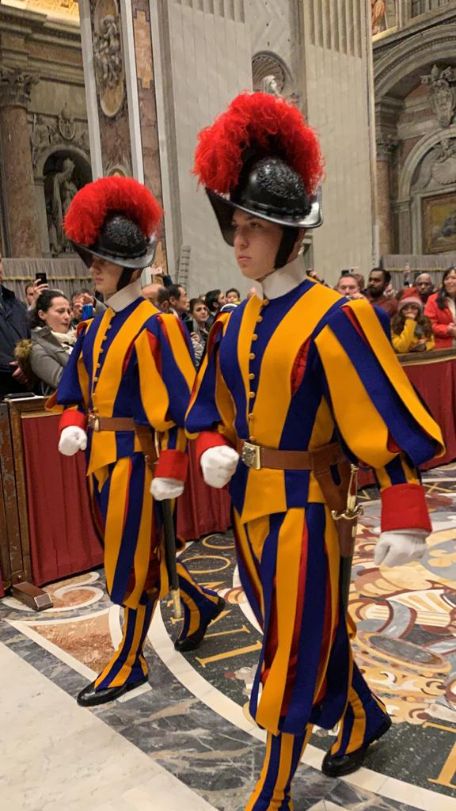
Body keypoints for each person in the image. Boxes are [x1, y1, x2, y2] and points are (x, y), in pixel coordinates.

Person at [186, 92, 443, 810]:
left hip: (310, 510)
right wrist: (211, 444)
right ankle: (362, 713)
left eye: (254, 228)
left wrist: (402, 502)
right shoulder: (231, 322)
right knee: (296, 627)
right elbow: (209, 407)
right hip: (250, 508)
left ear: (290, 235)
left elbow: (380, 409)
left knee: (289, 647)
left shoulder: (338, 315)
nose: (238, 241)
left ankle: (271, 786)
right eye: (235, 225)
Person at [52, 177, 224, 708]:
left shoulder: (159, 325)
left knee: (126, 559)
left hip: (140, 461)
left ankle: (131, 658)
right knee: (132, 550)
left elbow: (182, 402)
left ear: (130, 264)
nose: (93, 267)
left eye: (102, 259)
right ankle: (197, 602)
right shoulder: (93, 326)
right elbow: (74, 388)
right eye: (92, 257)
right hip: (101, 459)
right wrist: (73, 422)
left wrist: (173, 466)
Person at [29, 290, 76, 394]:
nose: (67, 317)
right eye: (60, 311)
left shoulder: (76, 337)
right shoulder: (37, 349)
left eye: (69, 311)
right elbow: (64, 382)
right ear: (42, 314)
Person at [0, 253, 31, 399]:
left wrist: (28, 365)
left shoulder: (18, 305)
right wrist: (11, 367)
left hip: (24, 390)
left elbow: (31, 340)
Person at [424, 266, 456, 348]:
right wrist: (447, 330)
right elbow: (428, 324)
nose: (449, 281)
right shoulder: (433, 300)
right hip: (444, 347)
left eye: (453, 278)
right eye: (446, 278)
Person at [189, 297, 210, 367]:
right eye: (198, 310)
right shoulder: (190, 332)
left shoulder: (211, 327)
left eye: (205, 309)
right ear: (191, 314)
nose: (203, 312)